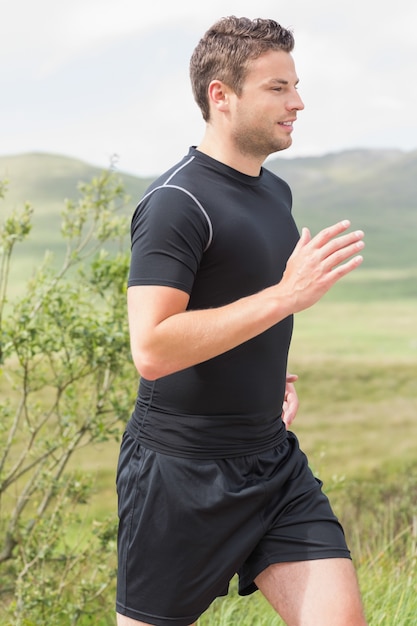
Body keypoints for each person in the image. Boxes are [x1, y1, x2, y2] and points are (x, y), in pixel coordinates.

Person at [116, 16, 367, 626]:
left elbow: (235, 310)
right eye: (277, 88)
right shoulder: (177, 203)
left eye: (296, 85)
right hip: (181, 470)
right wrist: (286, 297)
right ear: (220, 96)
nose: (298, 102)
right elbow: (151, 347)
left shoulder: (273, 192)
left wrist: (262, 378)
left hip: (271, 458)